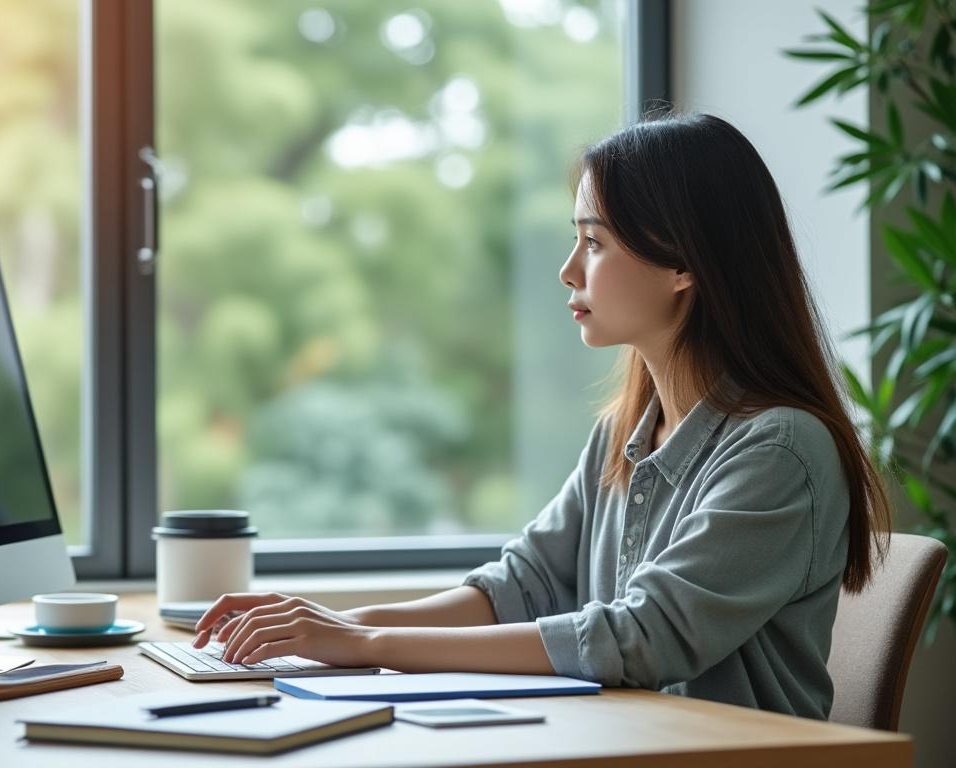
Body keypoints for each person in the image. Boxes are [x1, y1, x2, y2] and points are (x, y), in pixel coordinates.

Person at [190, 112, 893, 720]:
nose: (568, 269)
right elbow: (521, 586)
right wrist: (335, 626)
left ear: (683, 264)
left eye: (595, 242)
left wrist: (365, 645)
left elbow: (643, 637)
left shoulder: (780, 449)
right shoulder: (623, 433)